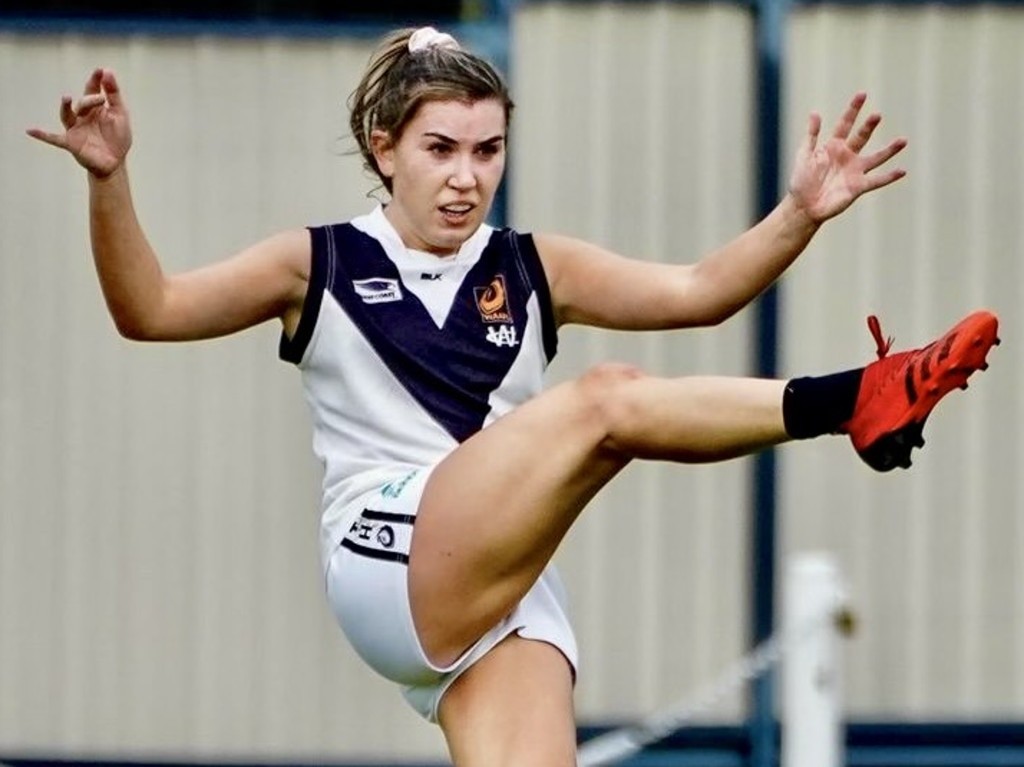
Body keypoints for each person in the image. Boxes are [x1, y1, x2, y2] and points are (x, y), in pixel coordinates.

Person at [28, 25, 999, 767]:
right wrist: (108, 181)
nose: (466, 177)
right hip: (388, 552)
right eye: (441, 149)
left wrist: (796, 212)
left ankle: (863, 399)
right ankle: (858, 397)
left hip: (507, 585)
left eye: (487, 151)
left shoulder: (534, 266)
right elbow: (148, 310)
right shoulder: (314, 261)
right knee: (603, 402)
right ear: (384, 147)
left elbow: (702, 289)